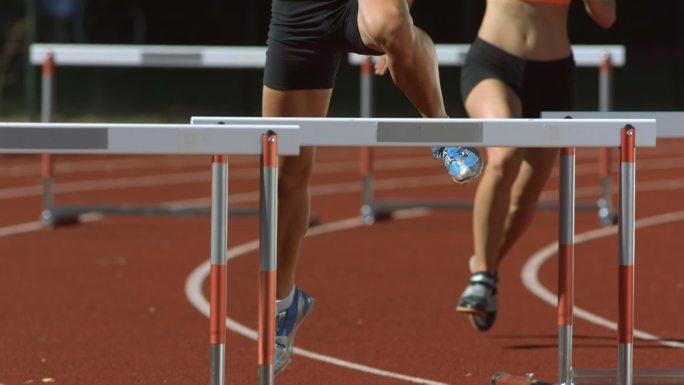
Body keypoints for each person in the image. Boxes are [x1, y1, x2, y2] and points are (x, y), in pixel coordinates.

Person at [263, 0, 483, 375]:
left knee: (391, 23)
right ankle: (284, 303)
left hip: (358, 6)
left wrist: (400, 33)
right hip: (299, 14)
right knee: (287, 172)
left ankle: (441, 129)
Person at [453, 0, 616, 331]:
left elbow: (606, 17)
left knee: (525, 199)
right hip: (493, 63)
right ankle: (483, 275)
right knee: (504, 156)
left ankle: (486, 266)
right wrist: (397, 34)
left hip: (553, 77)